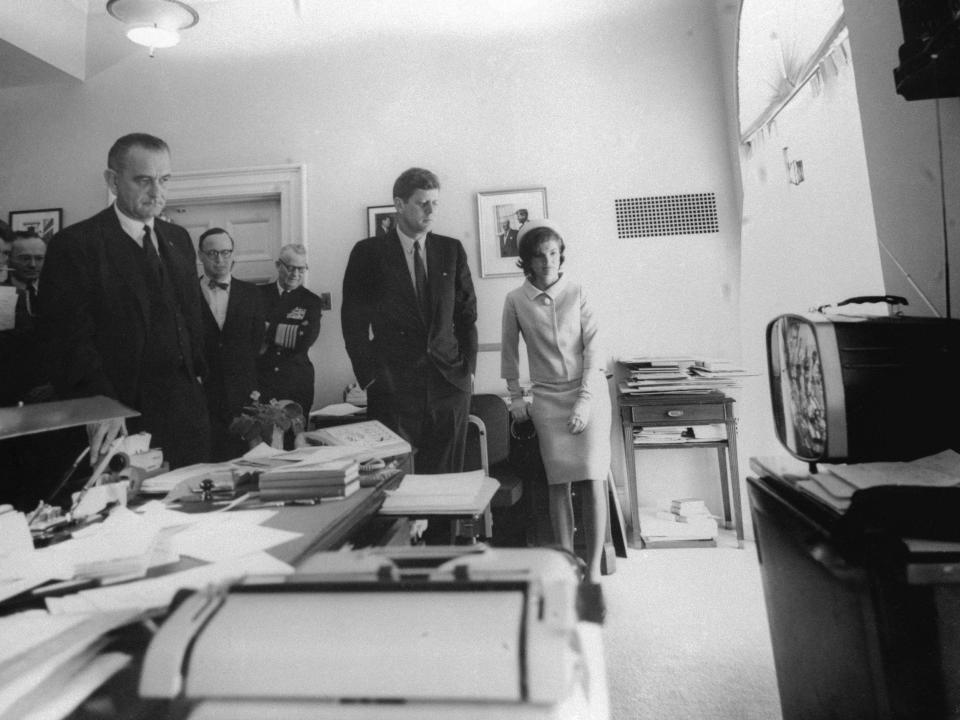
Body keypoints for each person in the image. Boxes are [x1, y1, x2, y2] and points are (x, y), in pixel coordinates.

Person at [40, 132, 211, 470]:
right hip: (119, 415)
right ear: (113, 181)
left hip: (186, 412)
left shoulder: (178, 239)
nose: (157, 191)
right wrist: (102, 407)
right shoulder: (77, 245)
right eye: (143, 180)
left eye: (164, 180)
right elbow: (68, 341)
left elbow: (192, 317)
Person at [342, 167, 478, 474]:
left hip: (448, 386)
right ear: (399, 204)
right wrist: (369, 378)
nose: (431, 210)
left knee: (446, 487)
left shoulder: (451, 250)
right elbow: (353, 323)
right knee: (395, 484)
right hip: (392, 388)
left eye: (435, 203)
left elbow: (467, 317)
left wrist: (467, 372)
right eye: (422, 203)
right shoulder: (368, 253)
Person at [500, 219, 611, 586]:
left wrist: (585, 400)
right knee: (557, 483)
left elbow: (595, 349)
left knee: (593, 478)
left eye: (553, 253)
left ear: (560, 255)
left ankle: (592, 572)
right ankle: (566, 567)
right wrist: (517, 397)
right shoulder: (515, 300)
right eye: (539, 255)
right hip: (547, 398)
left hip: (588, 393)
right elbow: (509, 354)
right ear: (527, 261)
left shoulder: (578, 291)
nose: (548, 261)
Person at [198, 227, 266, 460]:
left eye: (226, 253)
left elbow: (256, 342)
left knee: (245, 463)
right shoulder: (185, 292)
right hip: (201, 395)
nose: (220, 259)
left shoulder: (252, 294)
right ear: (200, 256)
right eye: (213, 253)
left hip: (243, 394)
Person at [257, 243, 322, 415]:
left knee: (295, 437)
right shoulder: (257, 295)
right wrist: (288, 331)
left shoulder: (312, 301)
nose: (296, 274)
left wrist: (267, 330)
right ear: (278, 265)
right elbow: (247, 334)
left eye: (301, 269)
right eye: (291, 268)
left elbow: (305, 340)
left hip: (296, 382)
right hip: (262, 380)